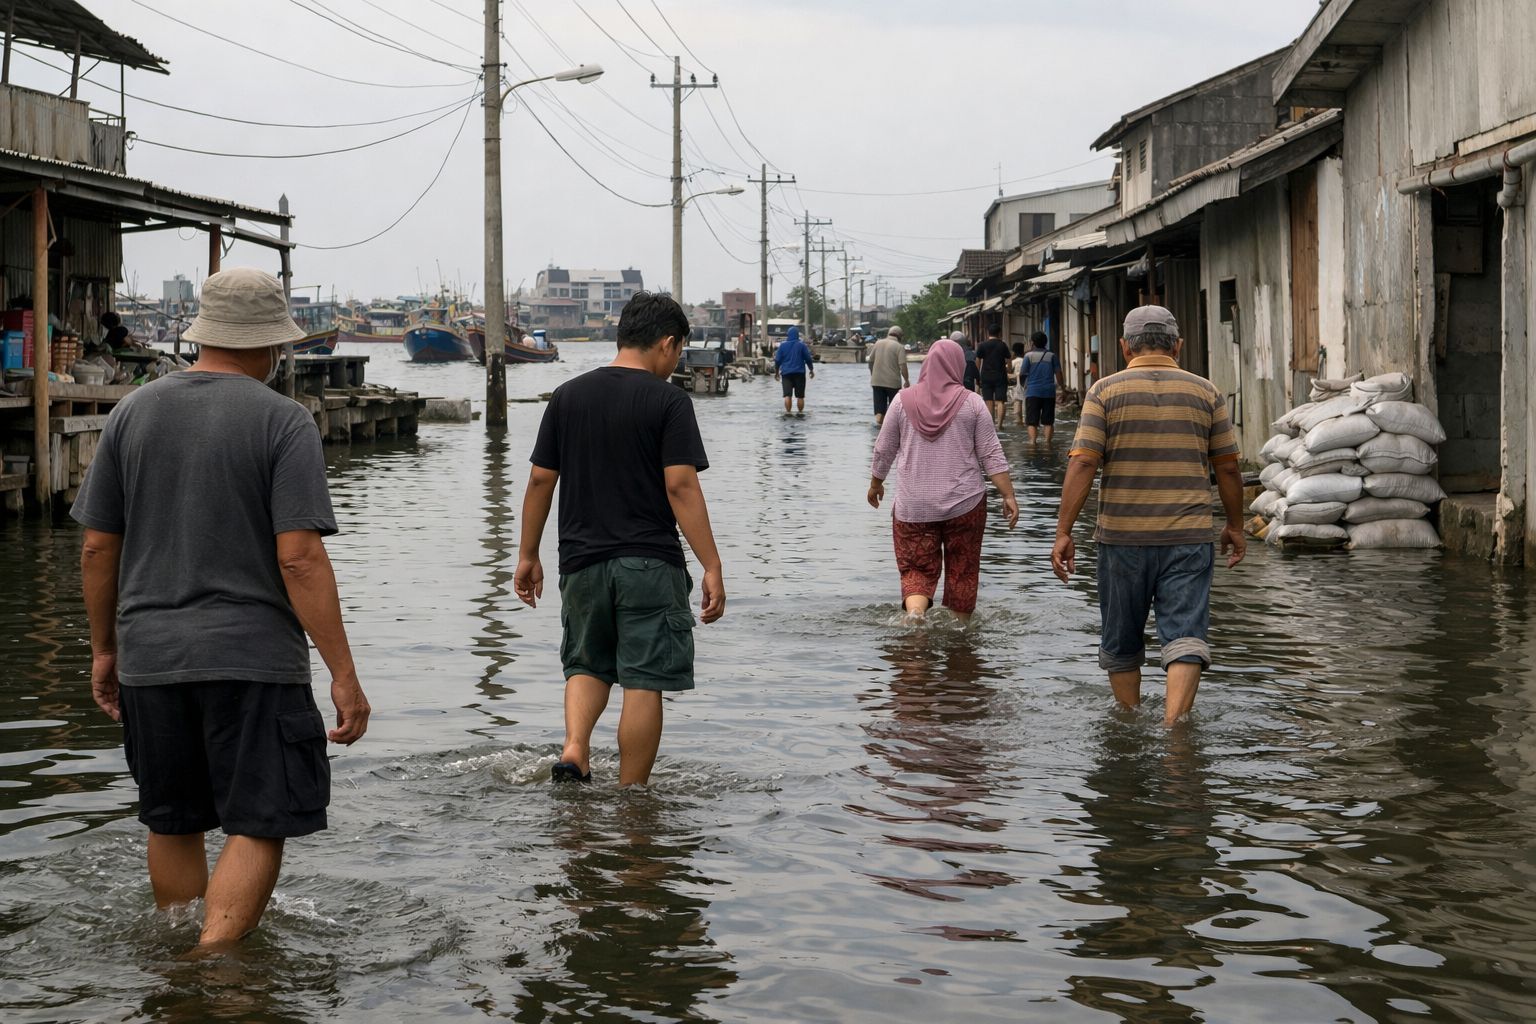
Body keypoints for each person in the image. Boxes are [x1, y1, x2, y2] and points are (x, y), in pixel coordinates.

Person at [71, 267, 370, 950]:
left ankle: (181, 968)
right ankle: (216, 967)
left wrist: (105, 650)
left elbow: (95, 549)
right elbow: (299, 558)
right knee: (259, 820)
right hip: (252, 660)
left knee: (172, 820)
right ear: (271, 345)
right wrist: (343, 674)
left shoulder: (133, 411)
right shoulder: (284, 421)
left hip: (151, 659)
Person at [515, 291, 725, 786]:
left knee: (586, 663)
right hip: (649, 564)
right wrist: (711, 564)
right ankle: (633, 800)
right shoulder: (669, 400)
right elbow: (680, 484)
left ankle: (574, 749)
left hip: (581, 565)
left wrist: (527, 554)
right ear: (668, 345)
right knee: (644, 680)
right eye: (676, 354)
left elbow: (541, 480)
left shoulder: (568, 395)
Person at [1051, 306, 1246, 727]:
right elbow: (1228, 468)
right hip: (1189, 538)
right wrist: (1235, 525)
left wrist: (1063, 531)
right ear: (1177, 345)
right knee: (1186, 635)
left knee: (1121, 639)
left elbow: (1083, 463)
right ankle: (1174, 731)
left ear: (1124, 347)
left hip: (1122, 538)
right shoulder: (1206, 392)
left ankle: (1130, 722)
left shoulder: (1103, 392)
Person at [868, 339, 1019, 623]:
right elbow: (991, 454)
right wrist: (1008, 495)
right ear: (957, 366)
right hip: (965, 505)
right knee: (963, 569)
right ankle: (960, 637)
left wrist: (876, 484)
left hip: (914, 507)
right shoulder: (972, 403)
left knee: (915, 570)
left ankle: (914, 615)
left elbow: (883, 448)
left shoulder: (901, 401)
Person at [1020, 331, 1065, 444]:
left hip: (1032, 392)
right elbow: (1059, 373)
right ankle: (1047, 444)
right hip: (1049, 392)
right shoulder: (1052, 356)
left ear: (1033, 343)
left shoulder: (1028, 356)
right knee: (1048, 421)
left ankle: (1033, 443)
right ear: (1046, 342)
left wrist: (1023, 386)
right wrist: (1062, 388)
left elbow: (1022, 374)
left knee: (1032, 421)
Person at [868, 324, 910, 425]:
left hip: (877, 382)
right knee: (893, 411)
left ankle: (880, 427)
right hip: (893, 384)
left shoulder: (877, 343)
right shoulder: (899, 347)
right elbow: (902, 365)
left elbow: (870, 361)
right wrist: (907, 380)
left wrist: (872, 374)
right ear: (900, 336)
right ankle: (890, 429)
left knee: (879, 411)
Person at [974, 326, 1011, 429]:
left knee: (988, 401)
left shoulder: (982, 345)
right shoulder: (1002, 345)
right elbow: (1009, 359)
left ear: (988, 333)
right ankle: (999, 425)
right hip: (1000, 375)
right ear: (999, 333)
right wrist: (1009, 370)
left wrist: (977, 374)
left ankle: (991, 425)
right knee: (1000, 401)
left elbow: (978, 360)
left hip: (986, 376)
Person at [774, 325, 815, 415]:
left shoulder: (782, 346)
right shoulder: (802, 345)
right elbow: (808, 359)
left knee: (787, 395)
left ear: (788, 335)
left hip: (786, 374)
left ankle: (788, 413)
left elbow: (777, 360)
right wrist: (811, 370)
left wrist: (776, 373)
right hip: (799, 373)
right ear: (797, 335)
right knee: (800, 396)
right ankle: (800, 413)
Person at [1008, 342, 1028, 426]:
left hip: (1017, 384)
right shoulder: (1025, 360)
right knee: (1025, 402)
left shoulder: (1014, 361)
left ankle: (1019, 421)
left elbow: (1007, 370)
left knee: (1017, 402)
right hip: (1026, 383)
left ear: (1014, 352)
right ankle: (1025, 420)